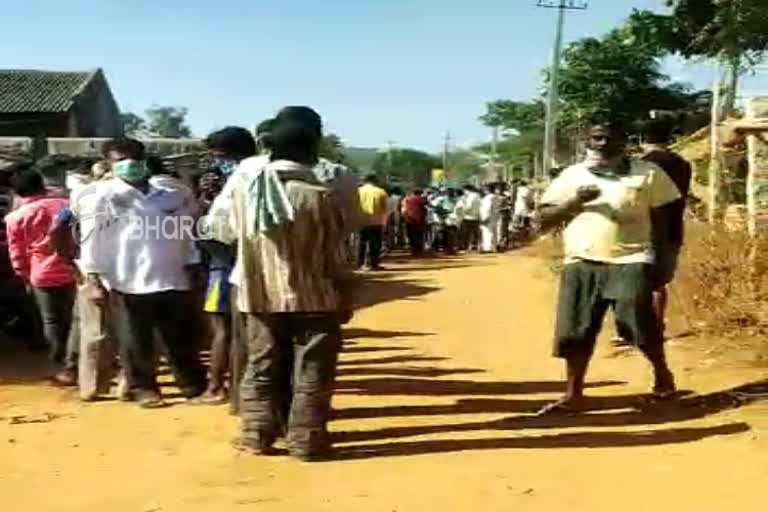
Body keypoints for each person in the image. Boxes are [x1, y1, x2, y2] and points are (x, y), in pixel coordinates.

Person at [213, 106, 352, 460]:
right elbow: (336, 254)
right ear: (313, 150)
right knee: (312, 372)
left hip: (259, 295)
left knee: (261, 367)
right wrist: (346, 293)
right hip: (315, 298)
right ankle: (306, 441)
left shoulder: (246, 189)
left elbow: (220, 232)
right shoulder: (321, 194)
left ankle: (255, 435)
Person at [537, 121, 680, 414]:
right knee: (575, 329)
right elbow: (543, 219)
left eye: (608, 138)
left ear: (623, 141)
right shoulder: (572, 175)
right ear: (588, 142)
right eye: (596, 138)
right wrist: (576, 201)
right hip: (582, 260)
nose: (601, 143)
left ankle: (662, 377)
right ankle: (573, 393)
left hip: (632, 258)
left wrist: (667, 260)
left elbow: (667, 218)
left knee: (637, 320)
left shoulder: (648, 173)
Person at [83, 153, 207, 408]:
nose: (129, 164)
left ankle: (192, 384)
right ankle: (144, 388)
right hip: (126, 277)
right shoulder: (101, 196)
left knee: (178, 335)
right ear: (110, 164)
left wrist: (192, 261)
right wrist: (94, 277)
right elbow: (91, 238)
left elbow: (186, 230)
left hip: (173, 274)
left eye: (133, 157)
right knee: (135, 338)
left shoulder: (172, 193)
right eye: (121, 159)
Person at [195, 127, 258, 404]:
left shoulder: (242, 180)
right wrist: (205, 198)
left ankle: (216, 387)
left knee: (222, 328)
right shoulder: (256, 177)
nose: (215, 162)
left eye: (218, 156)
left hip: (225, 265)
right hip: (238, 265)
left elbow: (206, 229)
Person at [5, 166, 78, 384]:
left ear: (16, 191)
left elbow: (16, 252)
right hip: (73, 270)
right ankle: (76, 362)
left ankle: (61, 365)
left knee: (52, 321)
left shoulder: (16, 217)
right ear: (41, 184)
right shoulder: (65, 205)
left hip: (41, 274)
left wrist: (24, 275)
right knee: (75, 319)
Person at [641, 118, 692, 339]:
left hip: (643, 229)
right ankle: (658, 325)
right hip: (672, 229)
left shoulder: (641, 165)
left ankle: (640, 328)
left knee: (638, 281)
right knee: (660, 282)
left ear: (642, 139)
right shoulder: (683, 164)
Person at [357, 174, 388, 270]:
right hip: (376, 221)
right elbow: (384, 209)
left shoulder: (358, 191)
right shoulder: (381, 192)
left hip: (361, 220)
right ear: (375, 181)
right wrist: (384, 223)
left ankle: (360, 264)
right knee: (375, 243)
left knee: (362, 242)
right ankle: (374, 264)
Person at [401, 189, 428, 256]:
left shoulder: (406, 199)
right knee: (419, 234)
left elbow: (403, 210)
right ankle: (419, 249)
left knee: (411, 234)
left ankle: (413, 249)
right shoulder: (421, 200)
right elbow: (424, 209)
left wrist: (404, 217)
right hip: (419, 220)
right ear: (420, 193)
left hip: (409, 219)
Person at [479, 185, 501, 253]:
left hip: (488, 217)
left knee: (487, 232)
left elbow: (487, 208)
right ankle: (494, 247)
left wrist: (485, 218)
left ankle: (488, 248)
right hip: (495, 216)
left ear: (487, 190)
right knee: (494, 232)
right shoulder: (496, 197)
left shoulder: (488, 198)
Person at [459, 185, 481, 251]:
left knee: (465, 233)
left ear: (467, 190)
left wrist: (462, 211)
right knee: (475, 233)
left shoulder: (470, 197)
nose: (464, 192)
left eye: (464, 190)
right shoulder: (478, 196)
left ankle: (465, 246)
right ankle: (474, 245)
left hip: (468, 217)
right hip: (476, 217)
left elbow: (468, 206)